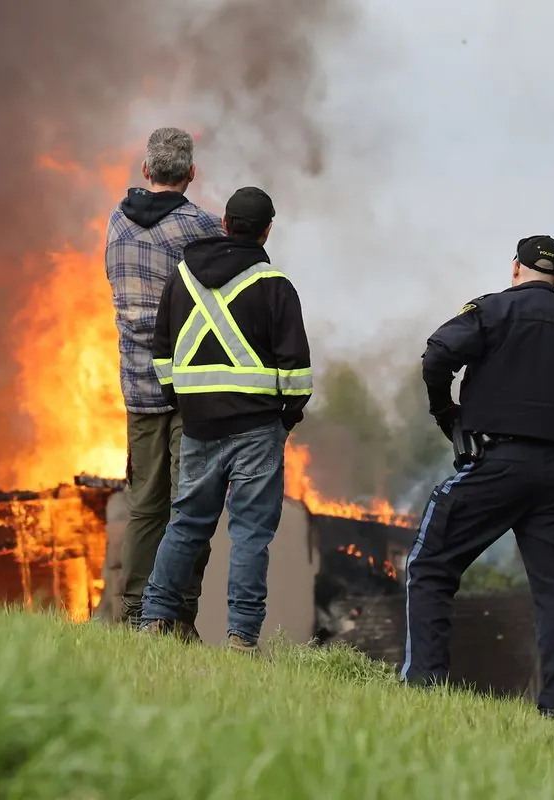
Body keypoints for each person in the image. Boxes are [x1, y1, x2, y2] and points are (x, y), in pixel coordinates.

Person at [403, 235, 554, 717]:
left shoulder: (492, 311)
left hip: (497, 464)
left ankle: (423, 691)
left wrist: (447, 414)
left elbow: (437, 355)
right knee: (551, 591)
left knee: (431, 565)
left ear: (515, 268)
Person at [139, 186, 313, 654]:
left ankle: (153, 619)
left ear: (224, 223)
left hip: (198, 425)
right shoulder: (275, 284)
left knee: (187, 523)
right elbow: (297, 374)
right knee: (251, 533)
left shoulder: (182, 278)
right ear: (267, 230)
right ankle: (241, 636)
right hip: (257, 428)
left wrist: (183, 401)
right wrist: (285, 419)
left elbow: (161, 351)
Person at [103, 127, 225, 634]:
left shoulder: (115, 225)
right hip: (187, 389)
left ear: (146, 171)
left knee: (144, 507)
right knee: (188, 507)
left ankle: (133, 612)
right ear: (191, 174)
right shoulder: (198, 228)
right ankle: (175, 616)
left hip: (137, 387)